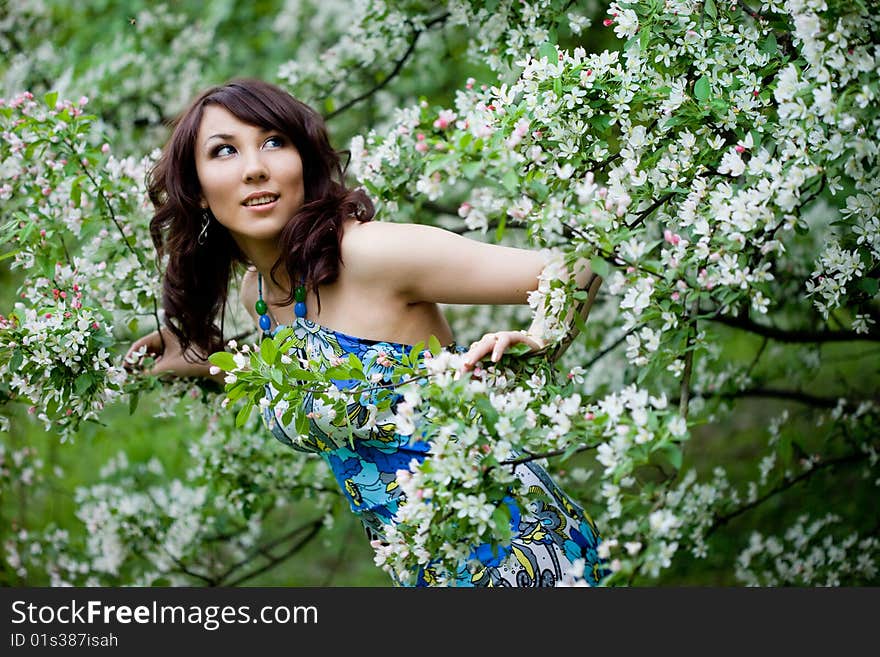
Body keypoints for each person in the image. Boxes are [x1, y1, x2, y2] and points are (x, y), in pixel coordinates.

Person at [127, 78, 608, 587]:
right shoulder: (260, 297)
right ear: (198, 191)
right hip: (428, 571)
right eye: (224, 151)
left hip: (522, 554)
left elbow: (575, 266)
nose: (254, 168)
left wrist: (540, 343)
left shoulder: (369, 254)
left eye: (273, 142)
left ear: (304, 163)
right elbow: (331, 388)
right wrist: (207, 359)